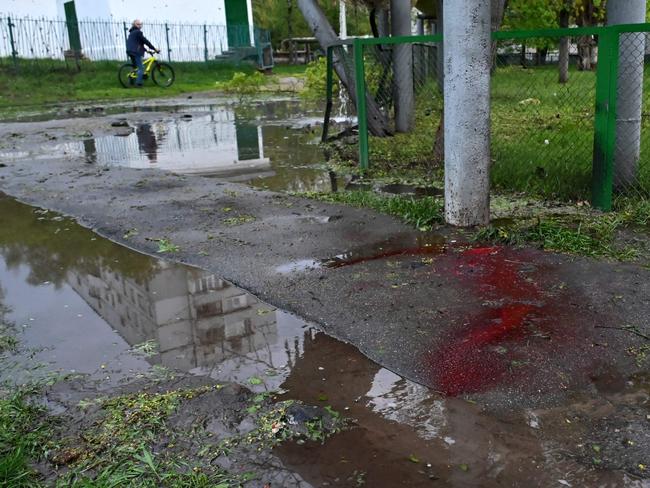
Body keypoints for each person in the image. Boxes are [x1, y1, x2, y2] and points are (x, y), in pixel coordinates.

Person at [126, 19, 159, 87]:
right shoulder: (138, 32)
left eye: (140, 24)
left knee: (135, 67)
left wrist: (146, 50)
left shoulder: (132, 33)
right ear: (134, 25)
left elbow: (138, 43)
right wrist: (154, 48)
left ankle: (131, 80)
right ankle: (139, 83)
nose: (140, 25)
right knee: (141, 68)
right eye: (138, 24)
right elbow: (145, 41)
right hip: (136, 52)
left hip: (130, 51)